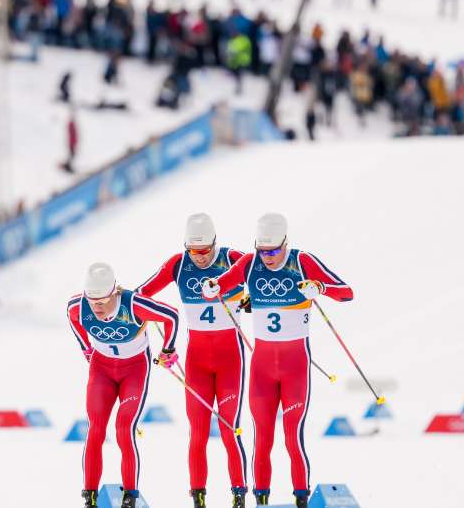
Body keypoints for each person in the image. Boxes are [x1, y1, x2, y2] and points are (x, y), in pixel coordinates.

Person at [201, 213, 354, 508]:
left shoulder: (302, 261)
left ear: (285, 243)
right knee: (263, 440)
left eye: (273, 251)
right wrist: (211, 288)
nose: (267, 257)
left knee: (292, 439)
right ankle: (261, 500)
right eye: (262, 250)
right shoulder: (250, 263)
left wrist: (321, 288)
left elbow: (346, 292)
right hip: (262, 370)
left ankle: (301, 500)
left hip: (295, 367)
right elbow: (217, 286)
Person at [136, 214, 249, 508]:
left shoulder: (232, 258)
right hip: (197, 363)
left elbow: (263, 274)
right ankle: (198, 497)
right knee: (197, 433)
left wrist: (248, 296)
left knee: (229, 429)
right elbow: (140, 296)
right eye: (193, 252)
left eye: (205, 251)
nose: (199, 258)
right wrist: (159, 324)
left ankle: (239, 496)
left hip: (230, 363)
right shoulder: (178, 263)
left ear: (215, 243)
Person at [69, 263, 180, 508]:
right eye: (92, 301)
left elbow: (171, 316)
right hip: (102, 370)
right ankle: (90, 497)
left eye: (102, 301)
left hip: (134, 371)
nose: (96, 307)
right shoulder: (79, 305)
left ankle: (130, 496)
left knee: (124, 428)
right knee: (96, 428)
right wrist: (86, 348)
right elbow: (72, 317)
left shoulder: (133, 304)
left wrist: (168, 350)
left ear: (114, 293)